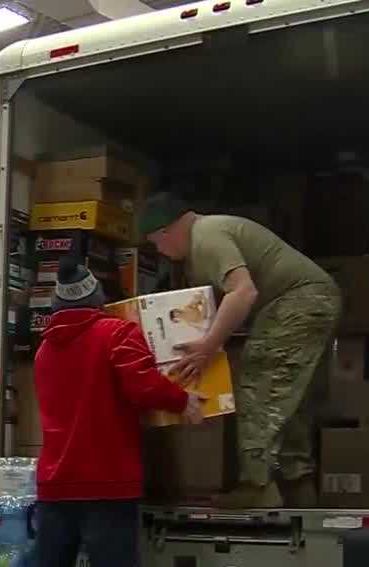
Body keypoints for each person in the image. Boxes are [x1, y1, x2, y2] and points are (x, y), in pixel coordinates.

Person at [141, 194, 342, 508]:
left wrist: (208, 346)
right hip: (312, 299)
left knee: (257, 382)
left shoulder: (206, 236)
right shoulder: (204, 244)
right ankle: (299, 491)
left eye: (156, 243)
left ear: (168, 231)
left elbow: (243, 292)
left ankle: (257, 486)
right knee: (288, 401)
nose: (161, 252)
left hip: (300, 300)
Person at [33, 257, 203, 567]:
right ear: (97, 298)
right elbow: (143, 385)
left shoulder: (44, 350)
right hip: (106, 481)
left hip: (55, 484)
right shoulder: (117, 333)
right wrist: (182, 399)